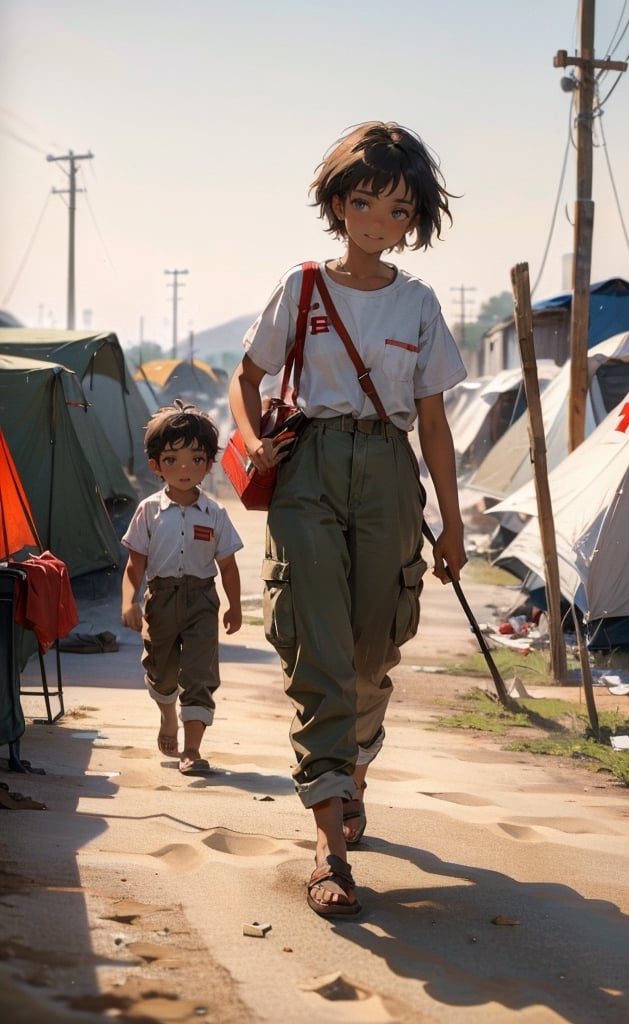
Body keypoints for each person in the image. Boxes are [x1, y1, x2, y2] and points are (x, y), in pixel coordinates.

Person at [228, 121, 467, 917]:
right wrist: (254, 436)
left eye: (395, 210)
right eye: (362, 202)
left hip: (390, 472)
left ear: (414, 219)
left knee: (374, 647)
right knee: (317, 647)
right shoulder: (300, 289)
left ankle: (357, 757)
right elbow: (248, 374)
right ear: (337, 203)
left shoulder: (420, 303)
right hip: (309, 471)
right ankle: (330, 847)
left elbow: (431, 422)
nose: (375, 221)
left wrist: (456, 524)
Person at [121, 401, 243, 776]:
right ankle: (167, 717)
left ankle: (192, 749)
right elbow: (134, 564)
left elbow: (228, 566)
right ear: (156, 465)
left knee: (201, 674)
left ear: (209, 464)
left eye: (197, 459)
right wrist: (130, 602)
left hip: (203, 600)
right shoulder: (148, 511)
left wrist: (234, 607)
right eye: (173, 460)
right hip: (161, 600)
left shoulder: (216, 514)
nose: (185, 469)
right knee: (162, 670)